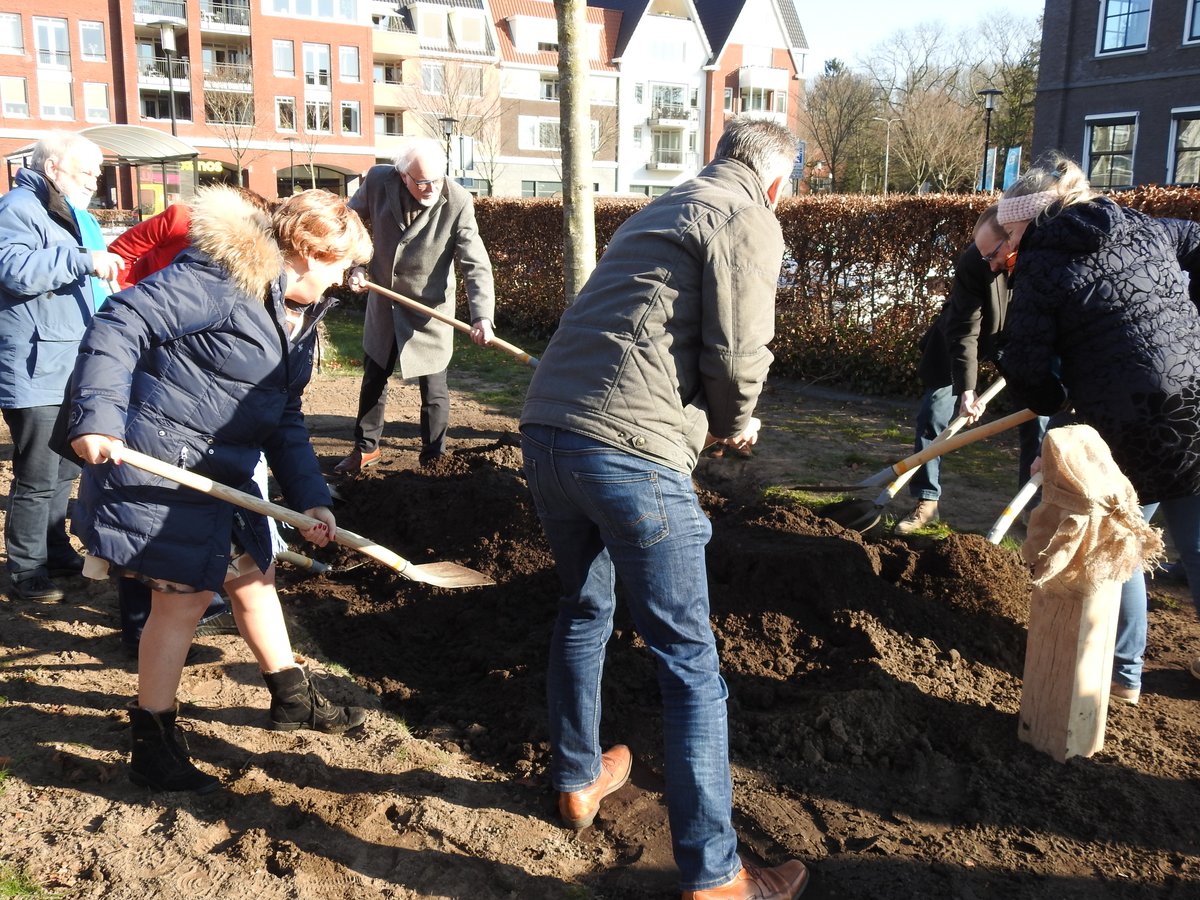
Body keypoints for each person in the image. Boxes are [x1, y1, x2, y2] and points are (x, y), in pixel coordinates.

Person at [519, 117, 809, 900]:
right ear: (776, 180)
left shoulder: (663, 208)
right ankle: (717, 878)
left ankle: (578, 779)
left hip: (547, 433)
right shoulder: (747, 214)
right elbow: (737, 352)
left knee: (583, 609)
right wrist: (736, 421)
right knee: (689, 662)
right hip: (628, 451)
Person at [66, 186, 374, 793]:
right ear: (308, 252)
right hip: (165, 463)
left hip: (227, 471)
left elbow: (284, 415)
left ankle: (292, 697)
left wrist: (311, 496)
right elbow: (121, 320)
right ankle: (152, 744)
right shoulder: (219, 281)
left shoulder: (296, 314)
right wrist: (97, 415)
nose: (345, 281)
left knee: (256, 576)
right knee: (180, 602)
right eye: (341, 266)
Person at [993, 152, 1200, 705]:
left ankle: (1122, 674)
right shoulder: (1143, 223)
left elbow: (1026, 367)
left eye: (1010, 231)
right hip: (1196, 398)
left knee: (1117, 544)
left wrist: (1054, 401)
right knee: (1197, 539)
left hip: (1128, 421)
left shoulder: (1042, 262)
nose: (1007, 244)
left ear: (1031, 220)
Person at [105, 191, 283, 658]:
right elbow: (122, 262)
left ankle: (186, 613)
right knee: (150, 530)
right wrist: (133, 285)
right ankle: (139, 632)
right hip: (164, 389)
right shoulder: (191, 243)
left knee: (188, 545)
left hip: (196, 382)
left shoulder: (253, 284)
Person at [0, 130, 125, 601]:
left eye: (97, 172)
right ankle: (26, 569)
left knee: (65, 470)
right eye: (87, 171)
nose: (95, 180)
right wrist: (82, 260)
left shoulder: (70, 213)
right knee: (36, 475)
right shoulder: (18, 208)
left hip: (69, 363)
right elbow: (13, 270)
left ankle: (53, 550)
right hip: (35, 367)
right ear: (52, 168)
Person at [336, 137, 495, 472]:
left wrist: (482, 316)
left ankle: (434, 458)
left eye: (436, 179)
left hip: (429, 311)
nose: (431, 188)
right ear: (403, 175)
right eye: (422, 182)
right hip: (384, 302)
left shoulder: (458, 201)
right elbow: (348, 222)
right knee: (374, 377)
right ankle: (366, 449)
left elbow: (475, 263)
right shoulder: (378, 180)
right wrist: (356, 265)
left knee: (434, 389)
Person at [895, 206, 1047, 534]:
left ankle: (1033, 508)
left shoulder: (1043, 258)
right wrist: (966, 388)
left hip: (1024, 342)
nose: (988, 263)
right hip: (961, 339)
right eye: (982, 255)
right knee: (933, 414)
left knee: (1037, 420)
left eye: (993, 254)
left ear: (1015, 237)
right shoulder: (974, 261)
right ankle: (927, 500)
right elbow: (965, 328)